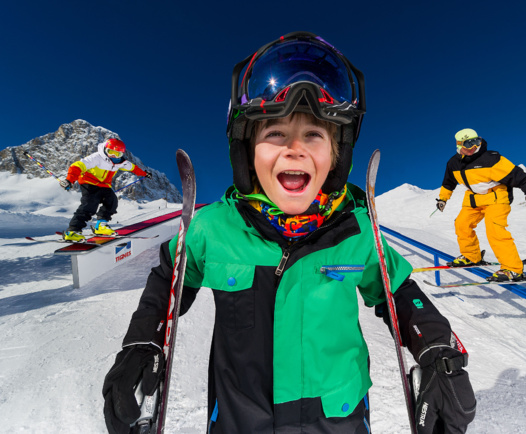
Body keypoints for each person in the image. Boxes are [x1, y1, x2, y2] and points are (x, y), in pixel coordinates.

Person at [102, 32, 476, 433]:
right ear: (246, 151)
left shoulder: (356, 231)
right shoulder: (213, 229)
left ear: (337, 156)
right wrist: (142, 342)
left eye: (315, 135)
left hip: (338, 416)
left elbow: (398, 291)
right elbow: (168, 281)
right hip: (240, 419)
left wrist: (437, 348)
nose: (295, 149)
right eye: (275, 134)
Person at [436, 128, 526, 282]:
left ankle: (513, 269)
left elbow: (519, 176)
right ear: (459, 145)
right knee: (461, 224)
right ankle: (471, 256)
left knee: (495, 230)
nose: (473, 147)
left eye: (476, 142)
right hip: (473, 201)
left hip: (496, 198)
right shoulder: (453, 163)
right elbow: (448, 182)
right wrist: (442, 199)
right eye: (468, 143)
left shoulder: (491, 159)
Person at [60, 138, 152, 241]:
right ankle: (73, 231)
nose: (114, 156)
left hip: (104, 185)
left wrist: (145, 174)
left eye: (117, 154)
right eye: (111, 152)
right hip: (89, 182)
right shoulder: (97, 157)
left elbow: (134, 168)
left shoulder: (121, 162)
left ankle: (101, 226)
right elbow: (77, 166)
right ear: (105, 149)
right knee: (90, 204)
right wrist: (69, 180)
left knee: (112, 201)